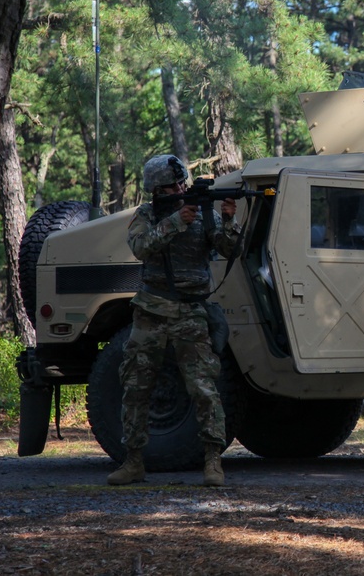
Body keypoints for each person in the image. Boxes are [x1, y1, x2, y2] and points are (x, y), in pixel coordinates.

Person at [106, 154, 240, 487]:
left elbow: (228, 249)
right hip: (150, 313)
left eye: (183, 184)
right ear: (157, 191)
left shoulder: (202, 214)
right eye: (174, 186)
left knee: (204, 388)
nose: (181, 189)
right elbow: (140, 248)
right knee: (136, 388)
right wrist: (176, 221)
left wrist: (226, 221)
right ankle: (133, 461)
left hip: (191, 314)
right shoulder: (147, 215)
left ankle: (212, 461)